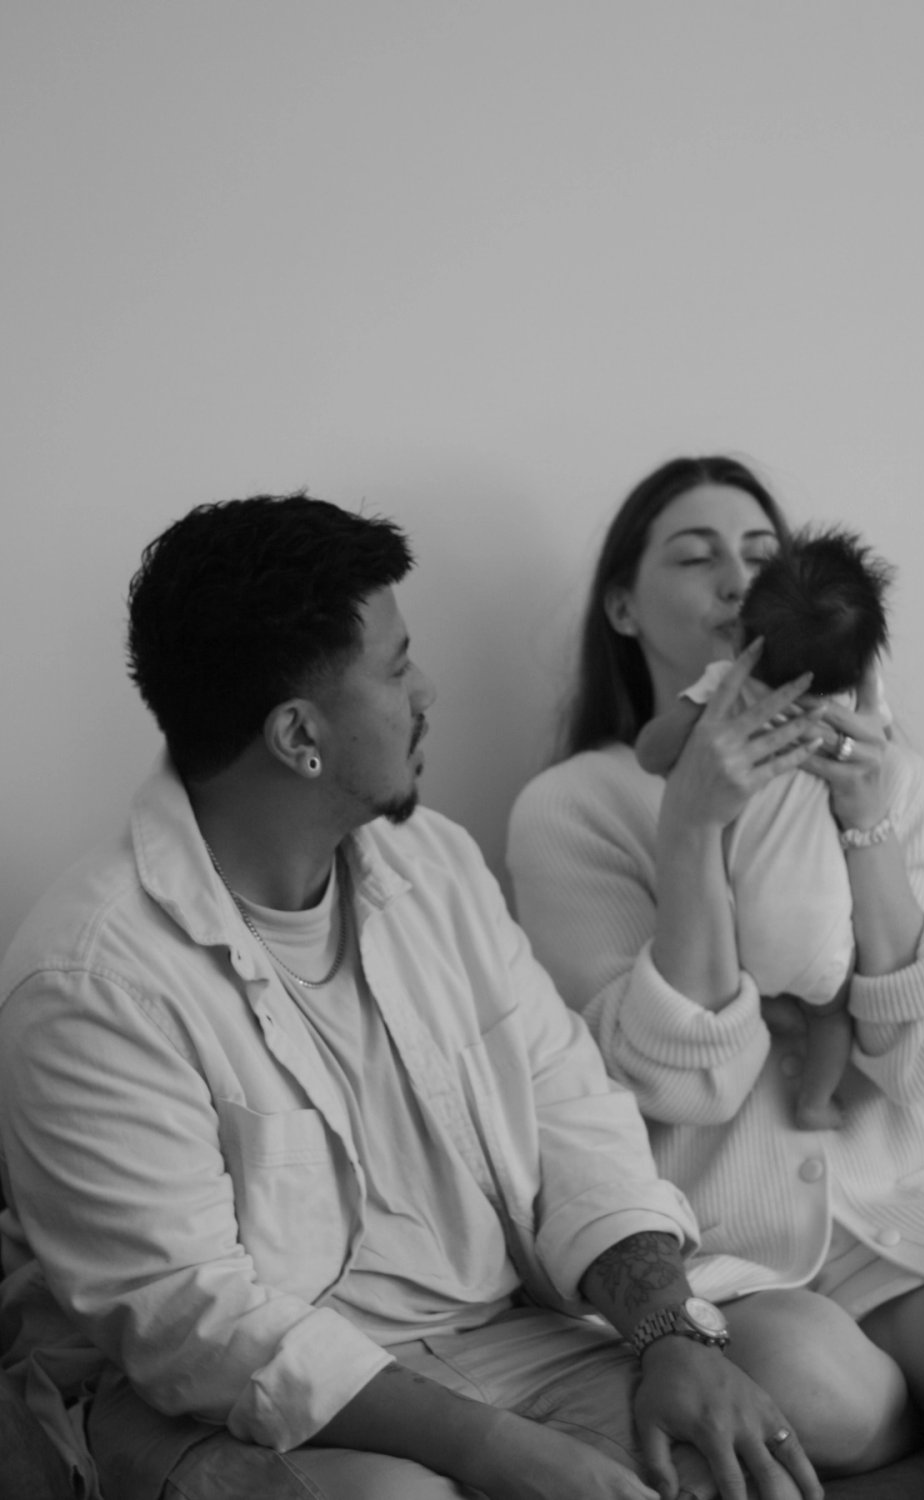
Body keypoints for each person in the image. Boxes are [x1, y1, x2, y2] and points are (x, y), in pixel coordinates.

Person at [0, 492, 831, 1500]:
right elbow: (194, 1325)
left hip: (501, 1334)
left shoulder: (431, 861)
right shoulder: (90, 981)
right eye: (396, 669)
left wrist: (669, 1333)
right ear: (298, 734)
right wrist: (498, 1452)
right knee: (403, 1498)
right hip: (240, 1406)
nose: (427, 691)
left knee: (815, 1383)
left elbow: (572, 1110)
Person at [507, 454, 924, 1484]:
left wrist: (866, 821)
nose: (736, 580)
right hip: (737, 1248)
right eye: (697, 557)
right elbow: (675, 1087)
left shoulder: (892, 771)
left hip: (917, 1204)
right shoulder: (571, 807)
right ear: (623, 607)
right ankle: (922, 1424)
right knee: (817, 1394)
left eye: (760, 553)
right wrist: (691, 827)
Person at [632, 525, 895, 1131]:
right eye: (697, 557)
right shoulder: (856, 721)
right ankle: (814, 1101)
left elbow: (649, 753)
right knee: (831, 1014)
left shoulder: (722, 690)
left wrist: (696, 726)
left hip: (732, 936)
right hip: (821, 932)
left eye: (756, 556)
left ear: (741, 636)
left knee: (757, 1001)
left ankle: (765, 1023)